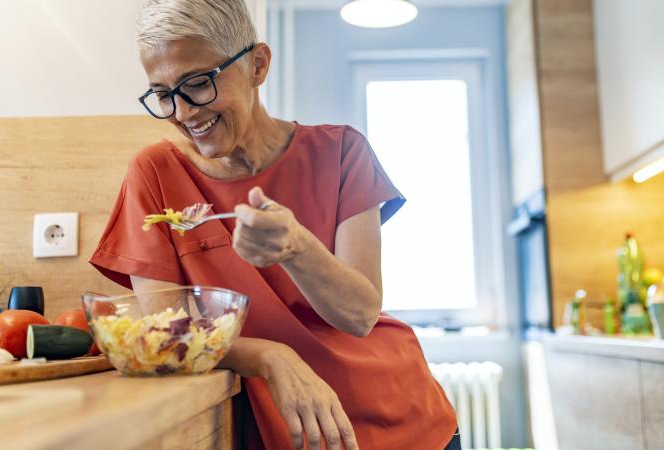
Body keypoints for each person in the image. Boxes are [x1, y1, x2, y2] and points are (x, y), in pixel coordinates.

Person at [90, 1, 459, 448]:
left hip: (403, 417)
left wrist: (296, 247)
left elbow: (360, 315)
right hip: (285, 427)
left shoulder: (342, 152)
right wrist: (270, 357)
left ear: (257, 65)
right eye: (164, 94)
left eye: (198, 84)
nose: (183, 113)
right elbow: (165, 334)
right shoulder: (155, 173)